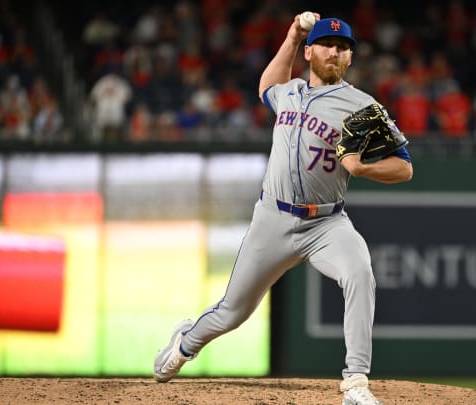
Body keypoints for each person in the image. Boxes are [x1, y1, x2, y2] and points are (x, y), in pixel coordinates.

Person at [152, 12, 413, 405]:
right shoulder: (289, 92)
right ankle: (185, 345)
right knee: (232, 312)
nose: (336, 53)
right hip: (273, 219)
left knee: (360, 272)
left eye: (344, 49)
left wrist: (363, 167)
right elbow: (266, 87)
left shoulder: (362, 105)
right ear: (310, 52)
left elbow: (405, 167)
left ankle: (356, 383)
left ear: (350, 59)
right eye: (328, 45)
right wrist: (292, 36)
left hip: (327, 223)